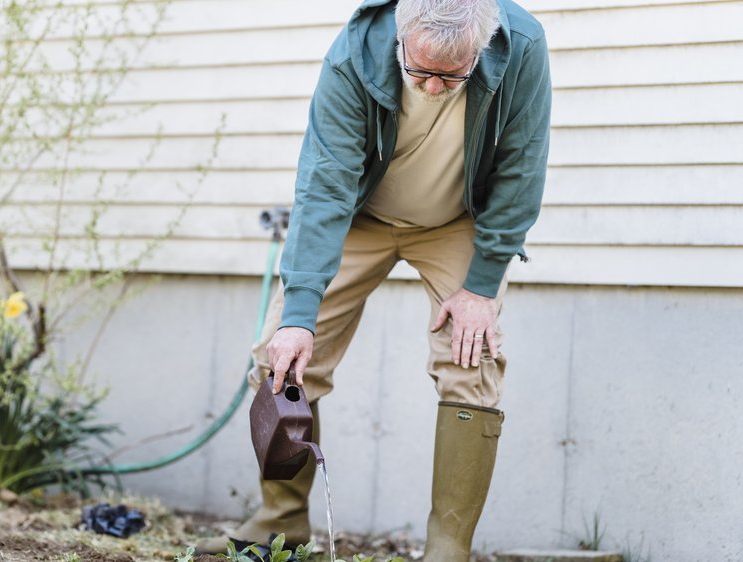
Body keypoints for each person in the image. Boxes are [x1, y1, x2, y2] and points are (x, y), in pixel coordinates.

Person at [198, 0, 550, 559]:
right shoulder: (354, 55)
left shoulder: (522, 46)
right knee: (280, 352)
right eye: (421, 72)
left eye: (452, 76)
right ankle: (281, 519)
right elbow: (325, 183)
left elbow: (522, 167)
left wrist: (482, 285)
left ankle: (448, 547)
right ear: (401, 38)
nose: (433, 88)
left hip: (457, 223)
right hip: (359, 216)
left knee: (472, 361)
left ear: (482, 49)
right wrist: (299, 314)